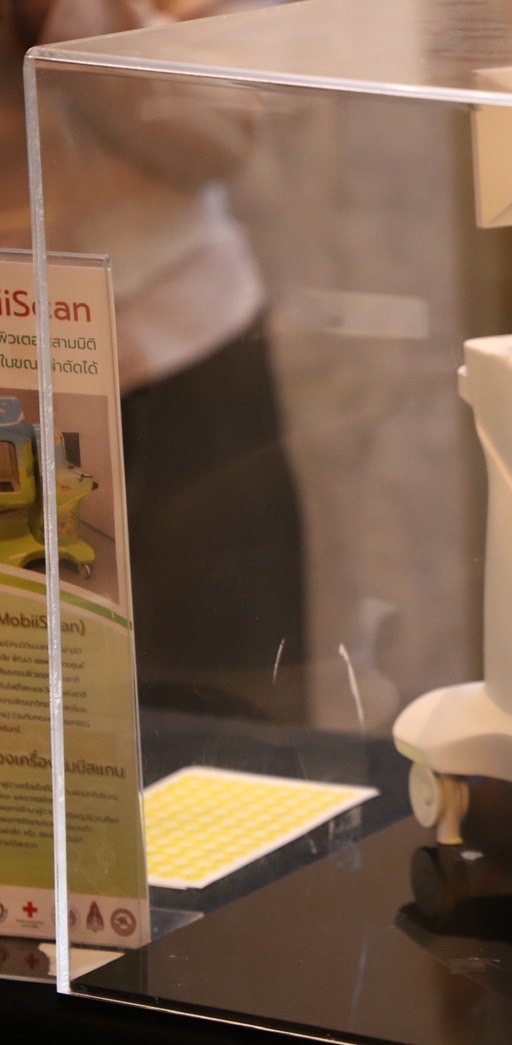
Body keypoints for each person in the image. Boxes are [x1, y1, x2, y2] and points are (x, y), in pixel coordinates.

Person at [1, 0, 306, 719]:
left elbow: (225, 137)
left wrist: (67, 15)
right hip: (19, 394)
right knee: (41, 720)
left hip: (186, 353)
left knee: (233, 710)